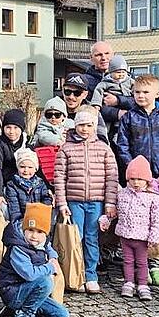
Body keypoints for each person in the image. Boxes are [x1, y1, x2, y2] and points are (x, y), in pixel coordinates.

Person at [116, 74, 159, 286]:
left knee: (157, 221)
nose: (141, 96)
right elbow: (123, 147)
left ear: (157, 94)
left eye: (146, 92)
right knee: (138, 220)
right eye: (137, 92)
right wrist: (135, 173)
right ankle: (135, 264)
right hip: (137, 181)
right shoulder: (129, 118)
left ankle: (155, 264)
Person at [54, 108, 118, 293]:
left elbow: (112, 177)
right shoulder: (66, 148)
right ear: (75, 126)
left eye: (89, 125)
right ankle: (76, 274)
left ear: (94, 126)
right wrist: (62, 203)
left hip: (96, 201)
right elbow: (59, 177)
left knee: (92, 238)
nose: (85, 129)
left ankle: (90, 275)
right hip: (74, 201)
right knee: (75, 239)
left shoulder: (104, 149)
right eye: (81, 125)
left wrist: (110, 203)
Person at [0, 203, 70, 317]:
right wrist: (50, 268)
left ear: (45, 234)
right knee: (45, 281)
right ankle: (25, 314)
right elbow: (29, 274)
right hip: (13, 290)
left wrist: (53, 257)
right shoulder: (18, 248)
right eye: (30, 230)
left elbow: (48, 247)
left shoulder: (41, 242)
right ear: (24, 229)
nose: (34, 236)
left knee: (62, 316)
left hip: (29, 291)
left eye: (40, 232)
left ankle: (15, 310)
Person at [113, 156, 159, 301]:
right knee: (128, 261)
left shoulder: (152, 197)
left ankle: (142, 284)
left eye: (140, 179)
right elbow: (117, 211)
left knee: (142, 262)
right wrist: (106, 218)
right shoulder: (122, 194)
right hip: (125, 234)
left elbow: (158, 218)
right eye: (132, 179)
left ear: (147, 180)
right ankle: (129, 282)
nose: (136, 183)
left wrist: (154, 235)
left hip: (142, 237)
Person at [84, 42, 136, 126]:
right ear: (91, 58)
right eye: (98, 55)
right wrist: (117, 113)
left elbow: (140, 101)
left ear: (113, 55)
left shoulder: (129, 78)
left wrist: (118, 100)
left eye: (107, 53)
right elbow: (88, 108)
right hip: (100, 127)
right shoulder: (85, 80)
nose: (103, 58)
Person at [0, 109, 29, 214]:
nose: (12, 132)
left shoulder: (27, 144)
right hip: (5, 186)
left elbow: (34, 167)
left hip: (24, 185)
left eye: (16, 128)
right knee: (5, 210)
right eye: (8, 127)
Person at [4, 148, 52, 225]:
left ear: (35, 169)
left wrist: (41, 215)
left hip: (39, 217)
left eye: (30, 167)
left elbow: (46, 199)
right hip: (21, 220)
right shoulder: (12, 185)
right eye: (22, 167)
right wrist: (19, 223)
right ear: (17, 167)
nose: (26, 170)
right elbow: (14, 208)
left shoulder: (40, 183)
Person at [32, 97, 74, 183]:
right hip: (47, 160)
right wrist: (60, 141)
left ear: (63, 116)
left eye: (57, 115)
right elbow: (44, 137)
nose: (53, 118)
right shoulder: (43, 125)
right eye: (49, 115)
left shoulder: (70, 125)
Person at [60, 73, 108, 143]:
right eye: (67, 92)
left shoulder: (92, 112)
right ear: (62, 91)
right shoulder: (53, 109)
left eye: (77, 93)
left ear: (85, 95)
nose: (71, 97)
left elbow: (103, 139)